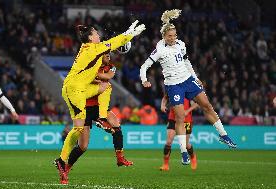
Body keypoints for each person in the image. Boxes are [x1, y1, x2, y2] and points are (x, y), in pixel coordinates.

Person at [140, 9, 236, 165]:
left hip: (187, 80)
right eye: (170, 36)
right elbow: (144, 66)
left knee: (207, 105)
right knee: (180, 117)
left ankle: (224, 135)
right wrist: (144, 80)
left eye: (174, 35)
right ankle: (184, 152)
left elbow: (186, 62)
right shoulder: (159, 49)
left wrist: (195, 77)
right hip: (173, 85)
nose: (173, 38)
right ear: (164, 36)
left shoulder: (181, 44)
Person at [54, 20, 145, 184]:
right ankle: (61, 161)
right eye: (95, 33)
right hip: (75, 90)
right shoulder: (94, 49)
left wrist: (126, 34)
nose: (98, 35)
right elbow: (115, 42)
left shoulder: (88, 48)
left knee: (105, 87)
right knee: (79, 130)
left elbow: (111, 45)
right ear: (90, 37)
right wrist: (130, 34)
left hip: (80, 89)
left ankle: (103, 121)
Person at [61, 54, 133, 181]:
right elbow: (84, 79)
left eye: (110, 55)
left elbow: (109, 76)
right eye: (106, 55)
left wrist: (96, 77)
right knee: (83, 146)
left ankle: (120, 158)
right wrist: (97, 78)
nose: (109, 57)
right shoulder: (90, 64)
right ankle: (65, 169)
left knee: (116, 123)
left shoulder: (111, 67)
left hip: (99, 107)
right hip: (85, 107)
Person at [160, 95, 198, 171]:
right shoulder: (171, 87)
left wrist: (188, 111)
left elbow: (197, 103)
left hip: (186, 120)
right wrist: (162, 105)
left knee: (186, 145)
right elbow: (165, 98)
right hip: (173, 119)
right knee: (168, 142)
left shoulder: (188, 91)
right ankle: (165, 164)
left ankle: (193, 157)